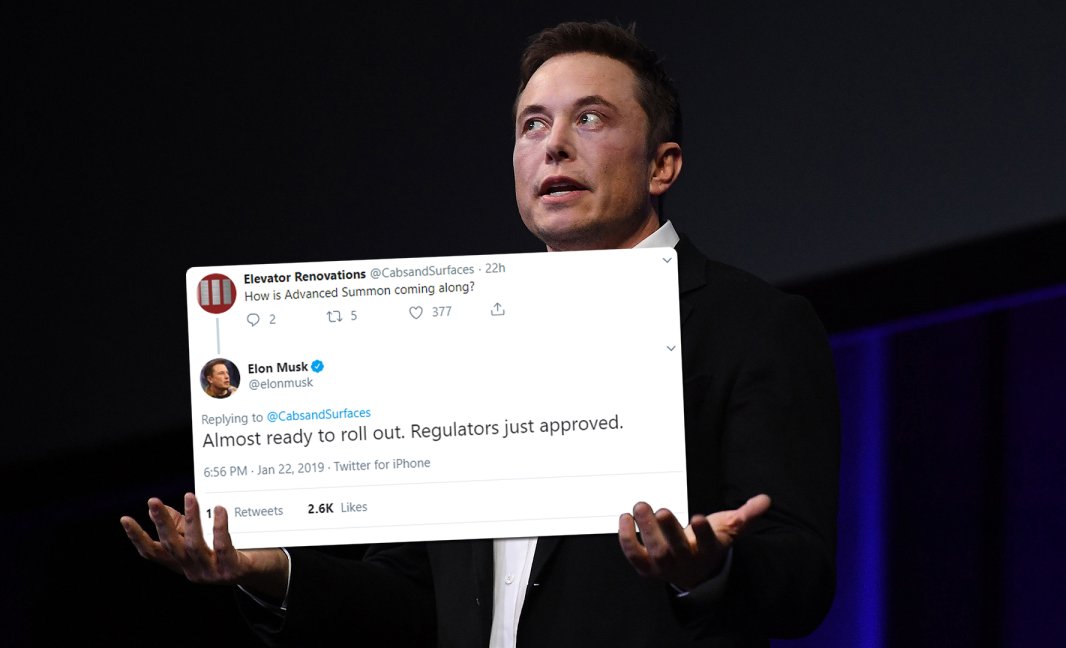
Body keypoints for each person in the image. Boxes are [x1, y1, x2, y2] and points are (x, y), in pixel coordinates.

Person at [122, 20, 840, 647]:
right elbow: (412, 597)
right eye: (533, 125)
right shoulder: (461, 338)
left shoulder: (753, 325)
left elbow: (802, 579)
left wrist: (707, 569)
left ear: (662, 165)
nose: (554, 146)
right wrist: (269, 572)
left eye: (590, 119)